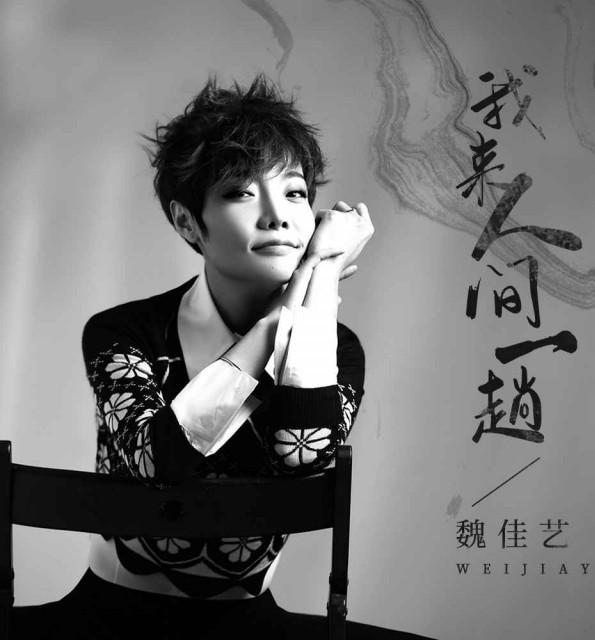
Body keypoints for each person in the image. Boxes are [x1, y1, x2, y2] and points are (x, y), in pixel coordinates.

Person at [11, 75, 432, 639]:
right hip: (108, 617)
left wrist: (319, 281)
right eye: (240, 193)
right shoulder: (124, 332)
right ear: (188, 221)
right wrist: (291, 301)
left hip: (250, 623)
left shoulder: (338, 345)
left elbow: (301, 455)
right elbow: (157, 462)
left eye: (295, 193)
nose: (277, 216)